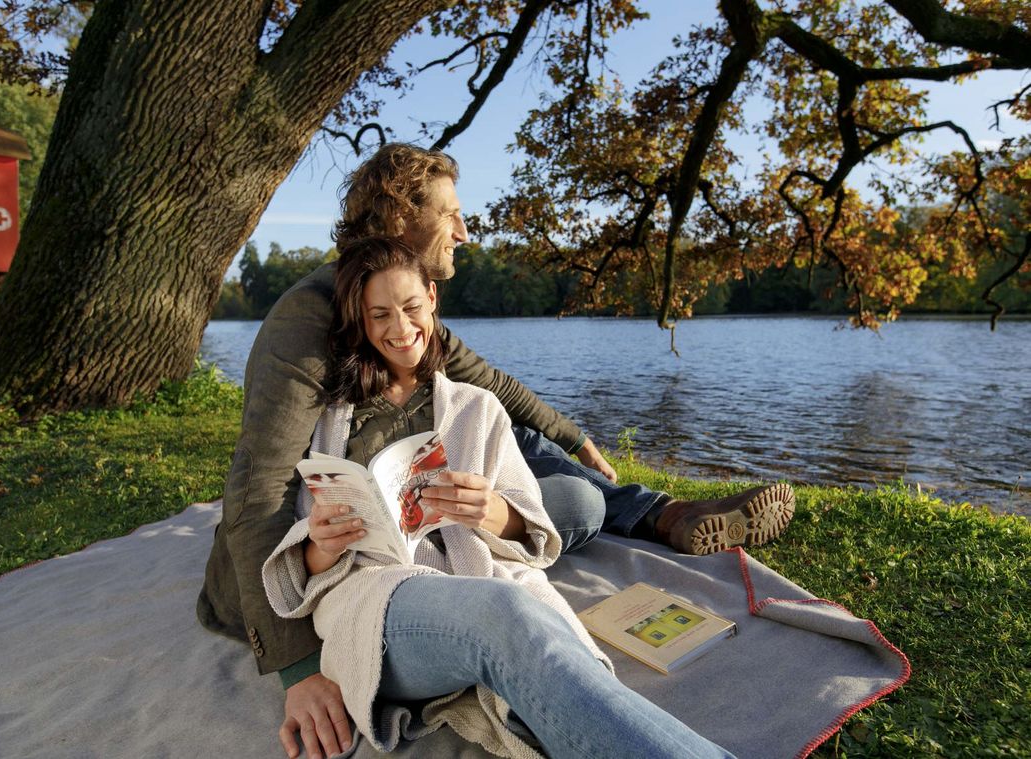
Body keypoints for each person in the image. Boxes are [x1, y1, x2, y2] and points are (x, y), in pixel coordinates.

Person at [197, 143, 793, 758]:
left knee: (573, 496)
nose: (463, 229)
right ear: (401, 216)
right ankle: (653, 520)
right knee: (510, 605)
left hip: (438, 532)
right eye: (449, 213)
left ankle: (659, 513)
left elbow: (492, 385)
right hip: (356, 559)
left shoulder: (415, 307)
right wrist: (298, 668)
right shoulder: (313, 318)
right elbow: (259, 489)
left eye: (410, 310)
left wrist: (574, 438)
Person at [259, 237, 735, 758]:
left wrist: (492, 512)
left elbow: (529, 525)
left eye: (412, 308)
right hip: (378, 600)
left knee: (528, 621)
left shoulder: (476, 408)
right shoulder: (330, 420)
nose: (400, 329)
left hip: (477, 576)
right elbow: (302, 557)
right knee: (507, 615)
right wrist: (323, 545)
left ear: (433, 302)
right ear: (362, 322)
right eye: (380, 315)